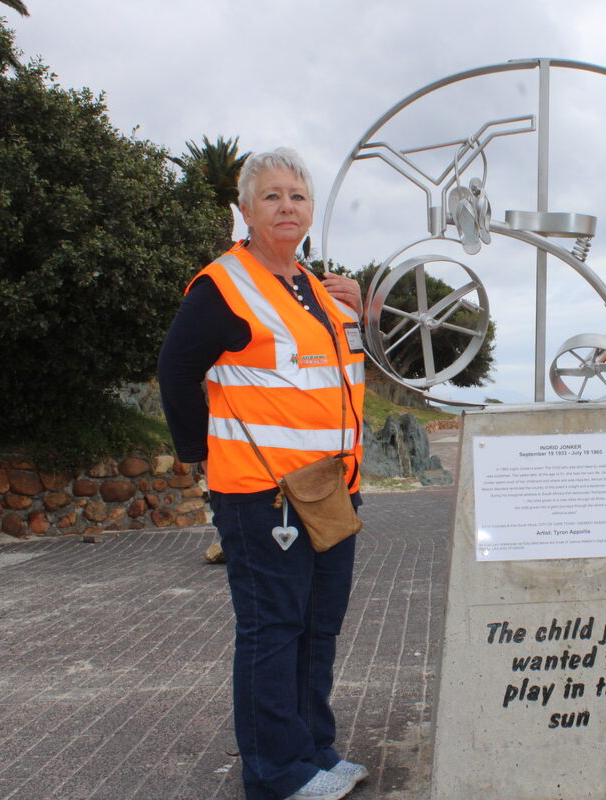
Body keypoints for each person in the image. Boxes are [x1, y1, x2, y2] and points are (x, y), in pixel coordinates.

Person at [158, 147, 368, 800]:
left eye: (297, 196)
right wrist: (206, 455)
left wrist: (363, 311)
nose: (286, 206)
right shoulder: (224, 285)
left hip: (331, 490)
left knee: (318, 627)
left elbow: (347, 373)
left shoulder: (319, 289)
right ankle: (276, 773)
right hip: (262, 495)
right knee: (273, 632)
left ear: (311, 211)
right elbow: (176, 372)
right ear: (245, 209)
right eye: (271, 195)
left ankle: (313, 751)